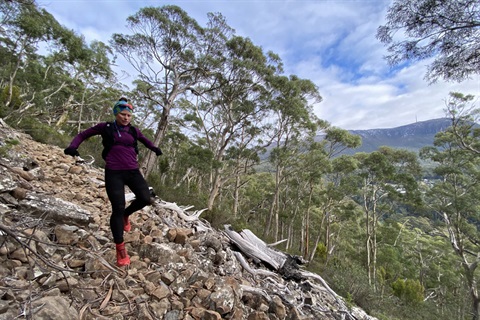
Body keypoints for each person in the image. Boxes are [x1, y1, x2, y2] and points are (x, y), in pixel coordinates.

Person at [64, 97, 162, 267]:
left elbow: (144, 139)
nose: (126, 118)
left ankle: (126, 215)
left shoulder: (133, 131)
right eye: (123, 114)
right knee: (117, 208)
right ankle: (120, 248)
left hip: (133, 171)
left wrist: (154, 148)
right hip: (114, 173)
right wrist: (73, 146)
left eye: (129, 115)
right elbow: (83, 134)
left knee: (146, 198)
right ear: (116, 113)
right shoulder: (106, 127)